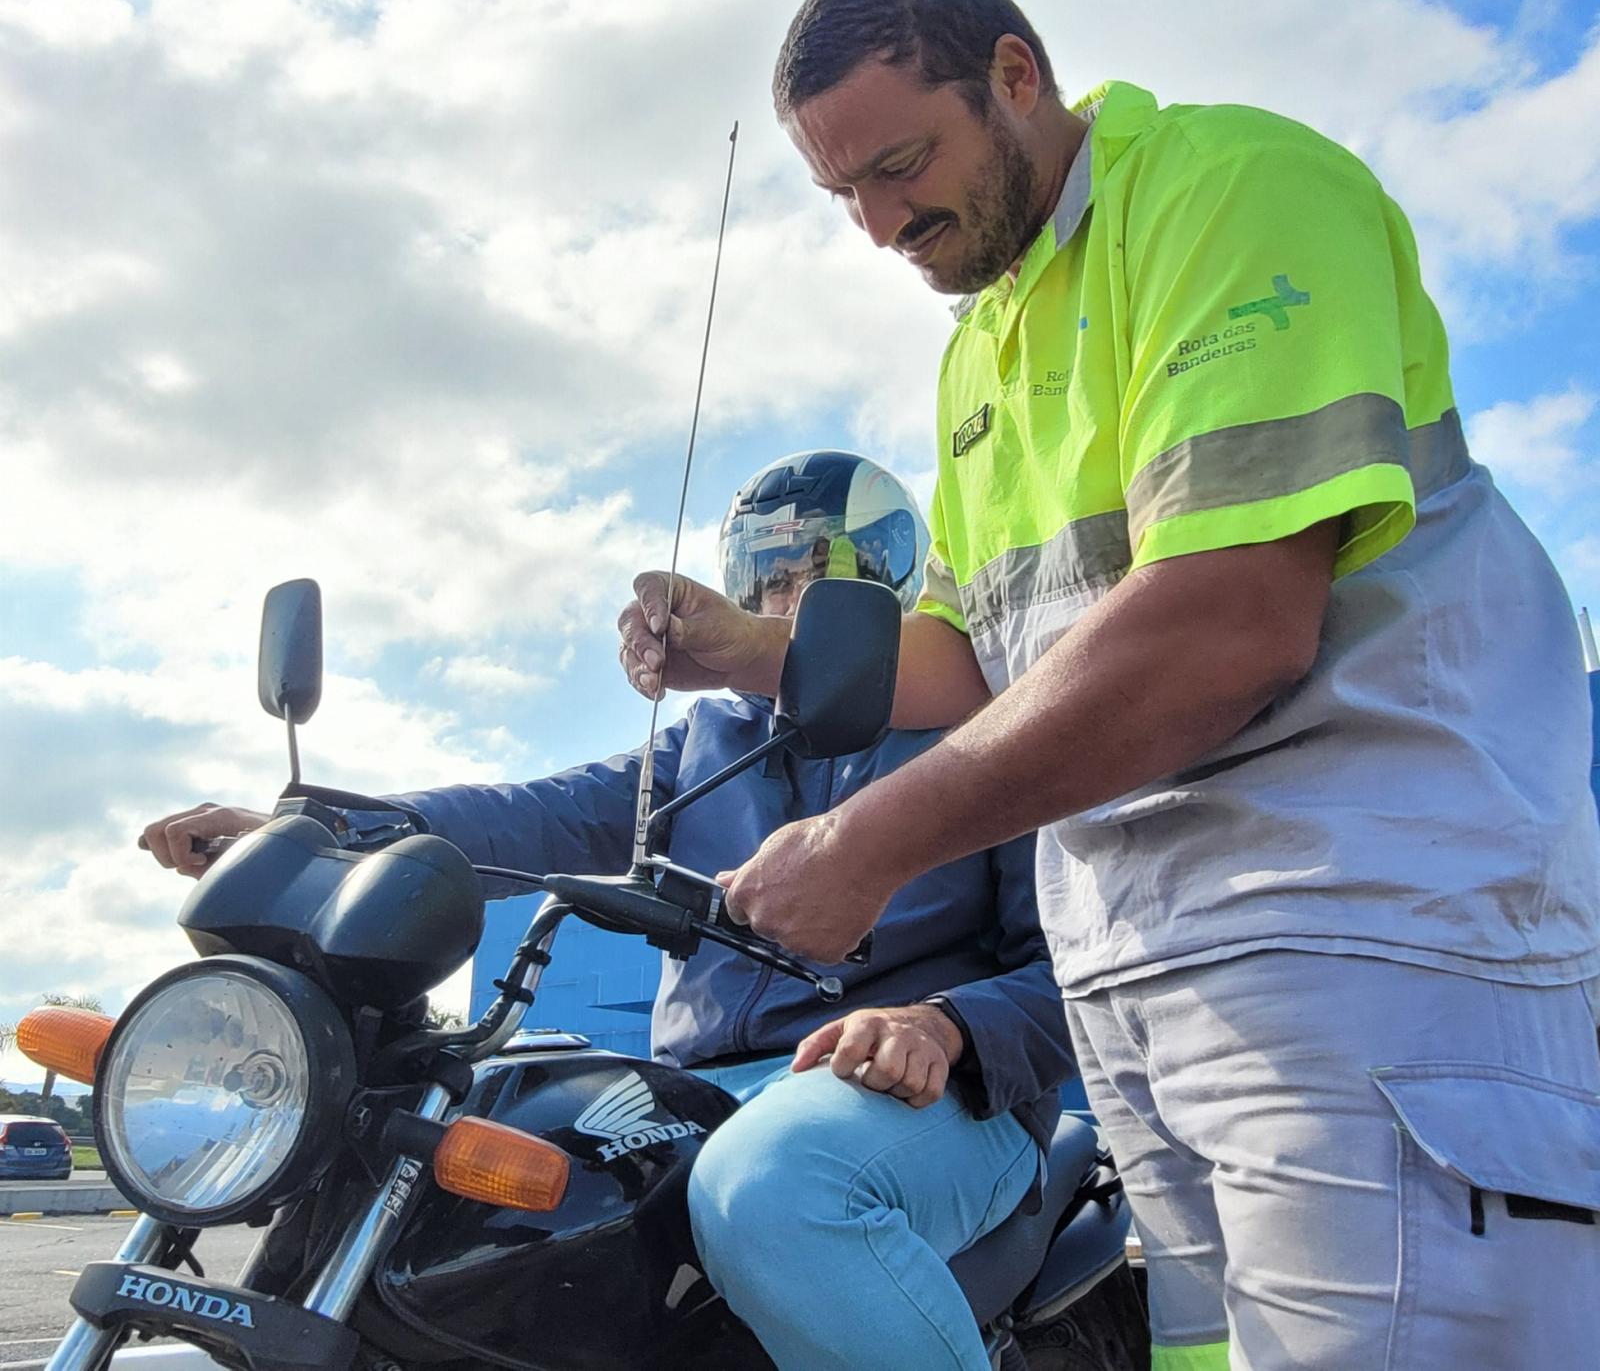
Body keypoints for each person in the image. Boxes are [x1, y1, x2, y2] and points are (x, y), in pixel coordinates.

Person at [616, 0, 1600, 1368]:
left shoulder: (1230, 187)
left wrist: (867, 841)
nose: (883, 225)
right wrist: (749, 652)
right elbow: (976, 655)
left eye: (903, 165)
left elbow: (1229, 615)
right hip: (1140, 980)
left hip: (1363, 943)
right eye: (845, 196)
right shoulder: (982, 351)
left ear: (1018, 76)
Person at [143, 449, 1075, 1371]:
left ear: (885, 577)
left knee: (778, 1190)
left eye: (811, 572)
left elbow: (1080, 962)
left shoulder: (984, 731)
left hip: (935, 1095)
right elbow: (540, 816)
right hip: (699, 1087)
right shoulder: (709, 739)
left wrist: (944, 1024)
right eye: (763, 573)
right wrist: (319, 827)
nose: (781, 597)